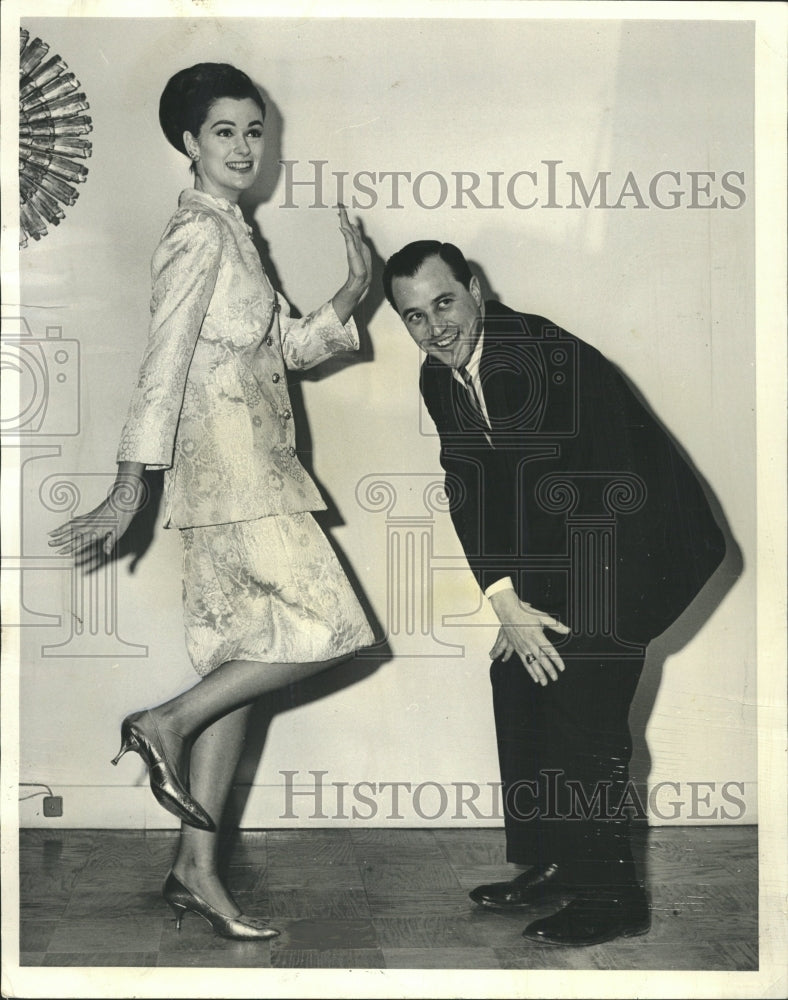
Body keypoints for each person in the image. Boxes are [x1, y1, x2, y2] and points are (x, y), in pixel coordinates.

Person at [49, 63, 374, 941]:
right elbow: (162, 363)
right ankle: (163, 721)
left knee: (248, 671)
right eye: (223, 131)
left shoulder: (236, 234)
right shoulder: (197, 236)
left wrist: (354, 289)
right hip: (235, 481)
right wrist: (128, 484)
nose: (243, 147)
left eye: (253, 130)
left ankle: (195, 870)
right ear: (188, 142)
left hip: (248, 478)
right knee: (329, 631)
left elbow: (289, 350)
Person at [382, 241, 726, 947]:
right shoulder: (439, 376)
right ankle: (564, 858)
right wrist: (507, 600)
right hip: (576, 540)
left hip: (645, 542)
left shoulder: (534, 357)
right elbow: (474, 488)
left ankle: (612, 896)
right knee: (516, 670)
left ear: (475, 287)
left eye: (444, 302)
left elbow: (577, 498)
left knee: (578, 689)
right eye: (414, 317)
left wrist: (538, 609)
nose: (434, 327)